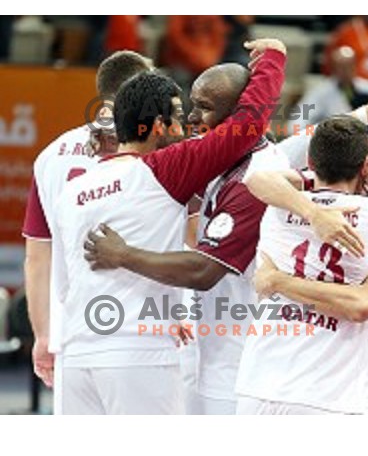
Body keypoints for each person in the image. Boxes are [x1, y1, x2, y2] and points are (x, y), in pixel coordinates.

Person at [51, 39, 287, 414]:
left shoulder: (72, 191)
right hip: (137, 353)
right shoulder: (164, 170)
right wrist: (273, 59)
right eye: (181, 115)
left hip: (76, 353)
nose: (189, 124)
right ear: (159, 126)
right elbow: (247, 126)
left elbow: (61, 284)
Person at [235, 117, 368, 415]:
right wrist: (315, 215)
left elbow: (257, 179)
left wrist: (277, 281)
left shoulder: (278, 206)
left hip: (361, 378)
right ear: (362, 162)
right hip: (329, 390)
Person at [22, 50, 154, 388]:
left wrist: (43, 335)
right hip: (141, 330)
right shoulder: (157, 148)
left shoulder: (51, 155)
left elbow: (38, 256)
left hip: (72, 333)